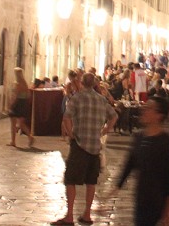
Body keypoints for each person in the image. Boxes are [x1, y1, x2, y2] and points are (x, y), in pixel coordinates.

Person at [55, 72, 118, 225]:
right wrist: (106, 130)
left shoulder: (76, 98)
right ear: (95, 84)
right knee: (91, 181)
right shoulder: (101, 99)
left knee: (70, 179)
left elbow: (66, 117)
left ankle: (69, 215)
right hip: (95, 146)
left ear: (82, 83)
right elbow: (114, 116)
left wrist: (71, 134)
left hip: (80, 144)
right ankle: (87, 214)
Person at [113, 96, 169, 226]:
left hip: (156, 201)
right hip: (140, 198)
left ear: (159, 115)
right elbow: (130, 163)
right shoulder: (140, 137)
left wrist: (167, 211)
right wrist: (116, 186)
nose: (144, 110)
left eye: (149, 108)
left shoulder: (166, 143)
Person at [7, 67, 35, 148]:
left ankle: (13, 141)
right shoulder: (25, 83)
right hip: (23, 103)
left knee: (13, 123)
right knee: (21, 123)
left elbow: (15, 95)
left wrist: (11, 104)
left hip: (17, 104)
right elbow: (28, 94)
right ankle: (30, 137)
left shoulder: (17, 83)